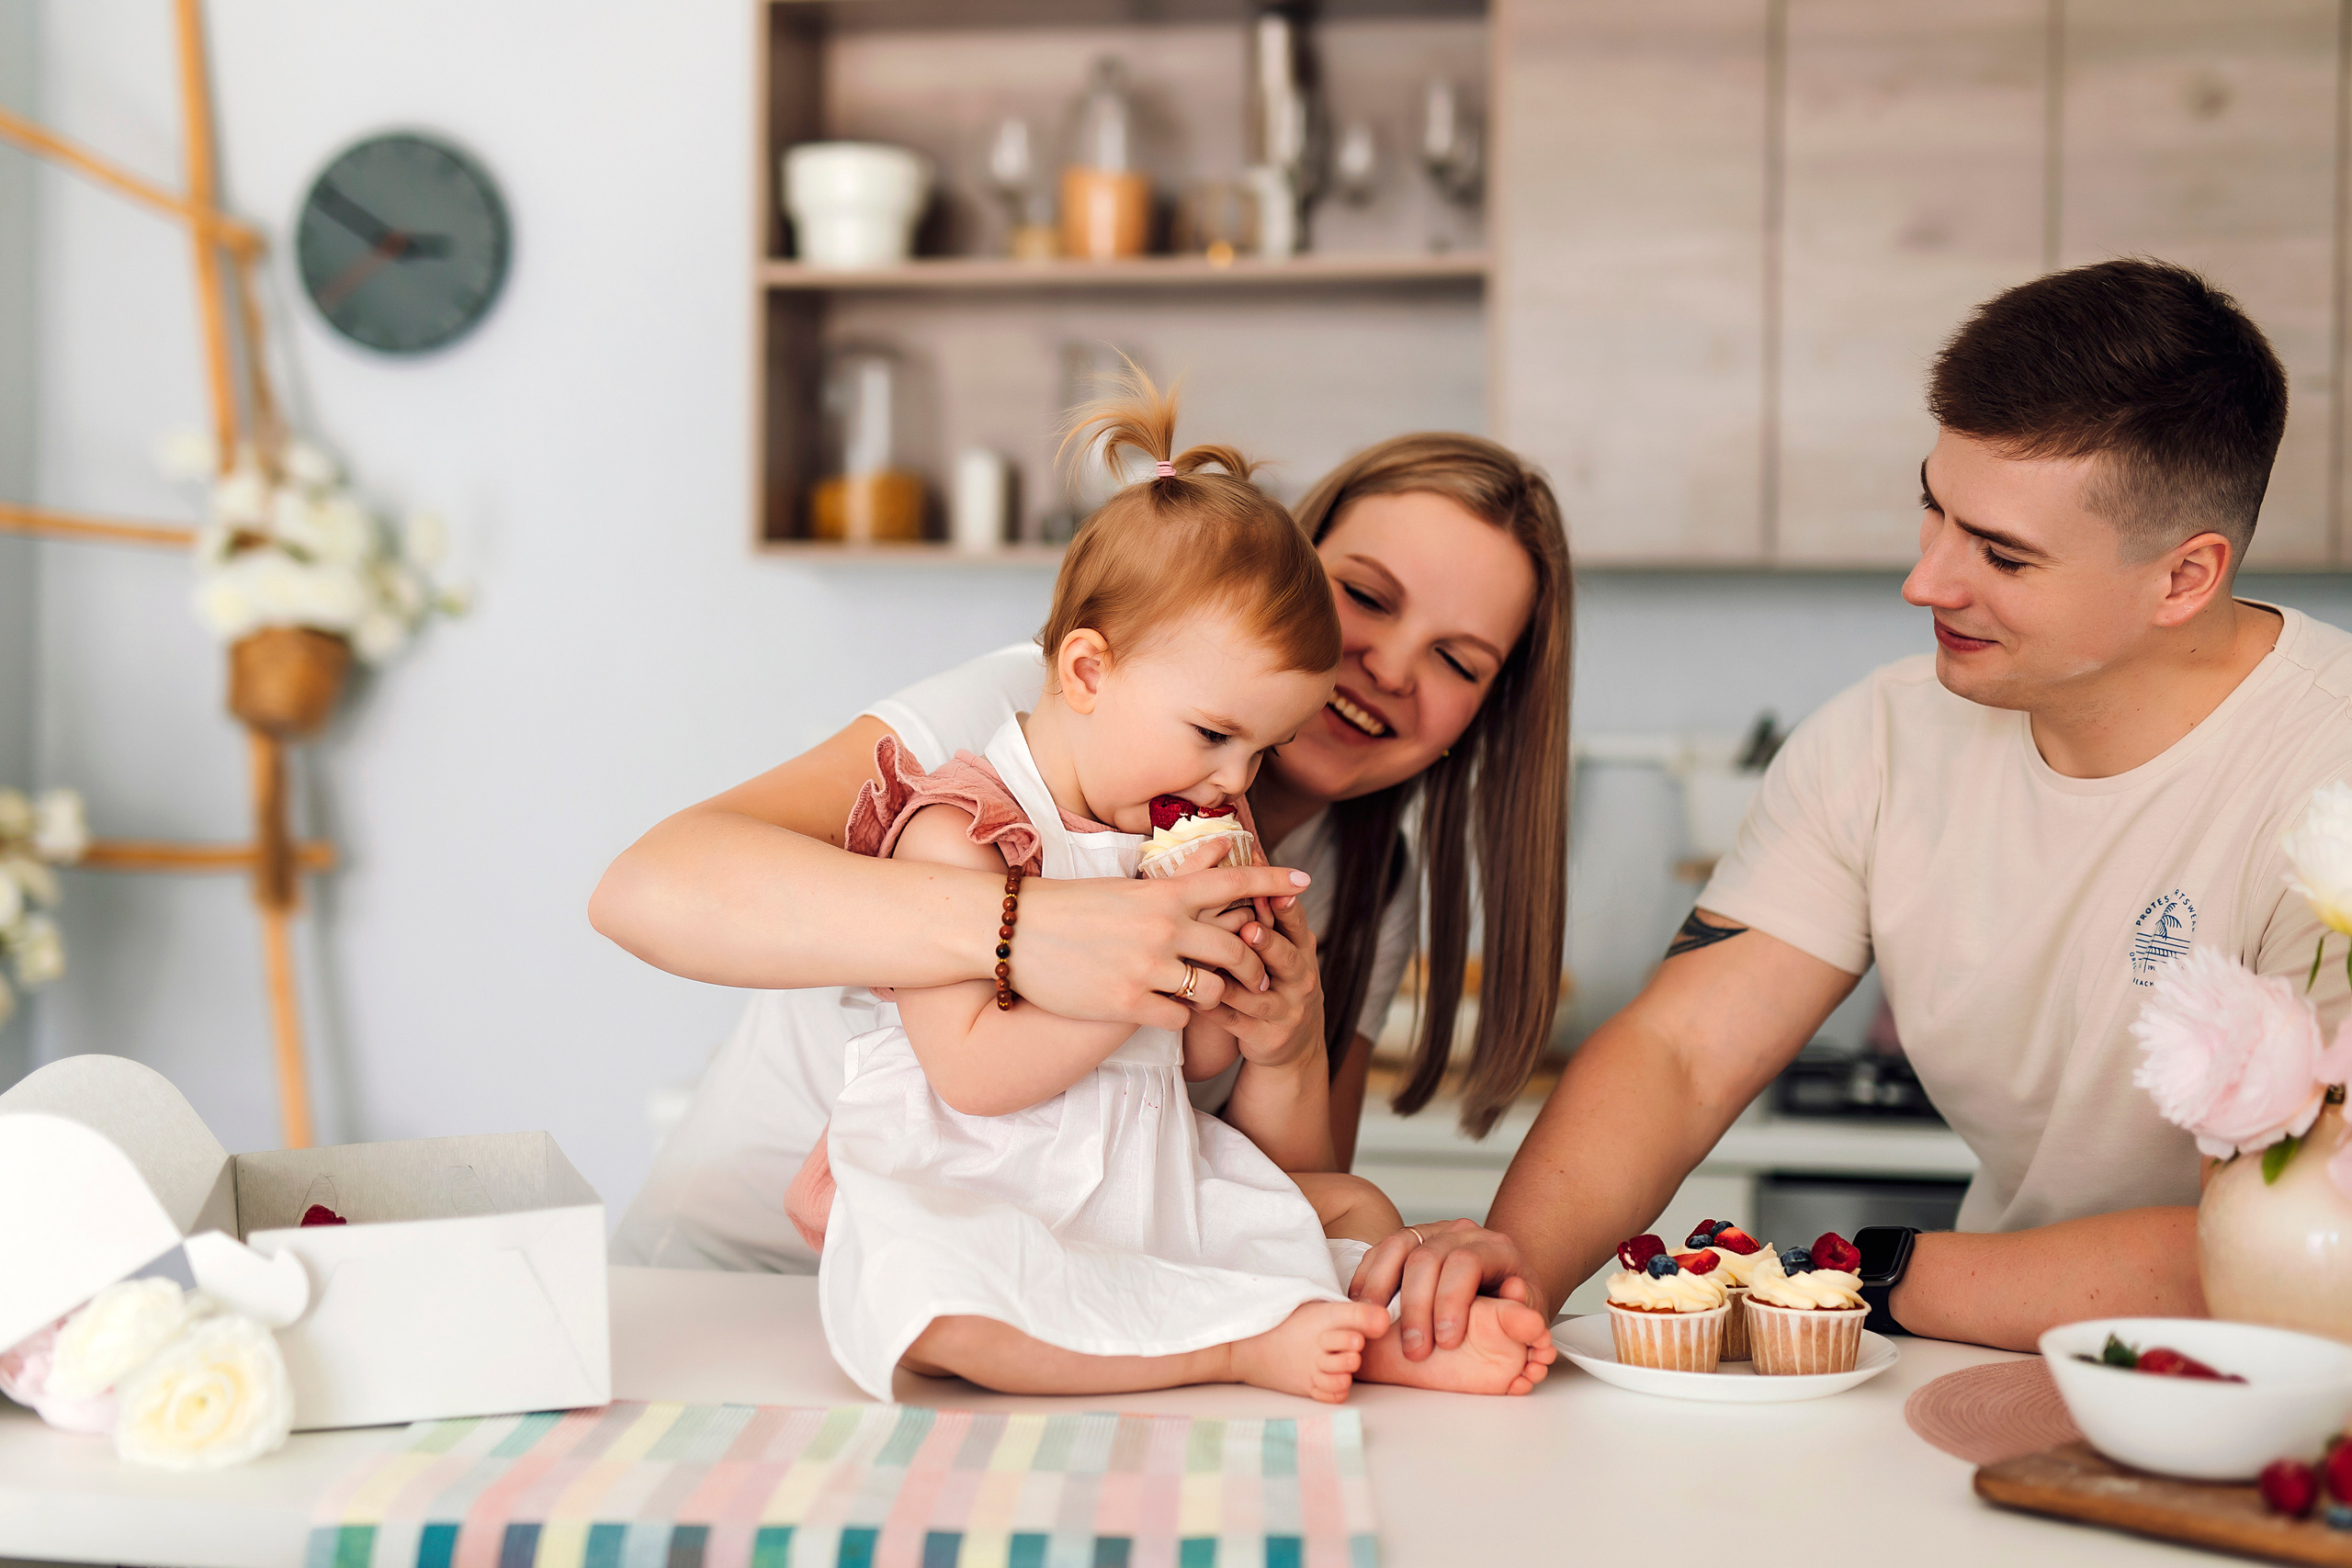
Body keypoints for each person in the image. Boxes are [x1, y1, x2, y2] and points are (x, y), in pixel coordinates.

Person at [1359, 256, 2352, 1355]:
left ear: (2183, 577)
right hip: (1986, 1356)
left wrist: (1860, 1273)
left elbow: (2294, 1245)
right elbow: (1683, 1051)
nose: (1926, 582)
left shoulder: (2328, 775)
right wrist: (1520, 1268)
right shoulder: (1877, 741)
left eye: (2001, 556)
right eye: (1934, 512)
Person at [595, 425, 1574, 1363]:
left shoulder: (1365, 880)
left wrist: (1286, 1042)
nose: (1391, 668)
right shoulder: (1021, 724)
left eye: (1457, 661)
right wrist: (1036, 930)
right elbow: (648, 886)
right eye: (1364, 595)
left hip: (1058, 1290)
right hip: (743, 1278)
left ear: (1484, 717)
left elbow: (1257, 1201)